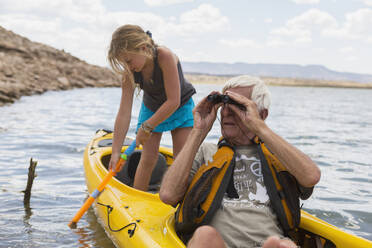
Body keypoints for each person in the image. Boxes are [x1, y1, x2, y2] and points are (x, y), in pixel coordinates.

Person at [159, 75, 321, 248]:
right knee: (205, 235)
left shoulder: (278, 156)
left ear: (262, 114)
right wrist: (198, 131)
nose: (227, 112)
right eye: (224, 105)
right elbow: (168, 195)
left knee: (282, 245)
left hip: (268, 244)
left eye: (238, 106)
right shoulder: (206, 152)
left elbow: (311, 176)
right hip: (217, 244)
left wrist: (258, 126)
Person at [107, 24, 196, 191]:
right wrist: (116, 152)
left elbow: (173, 101)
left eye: (128, 60)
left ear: (143, 48)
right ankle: (138, 198)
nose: (128, 66)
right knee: (148, 158)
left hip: (180, 105)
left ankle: (180, 201)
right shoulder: (129, 72)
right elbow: (124, 113)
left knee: (181, 159)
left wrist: (147, 127)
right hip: (152, 107)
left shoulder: (165, 56)